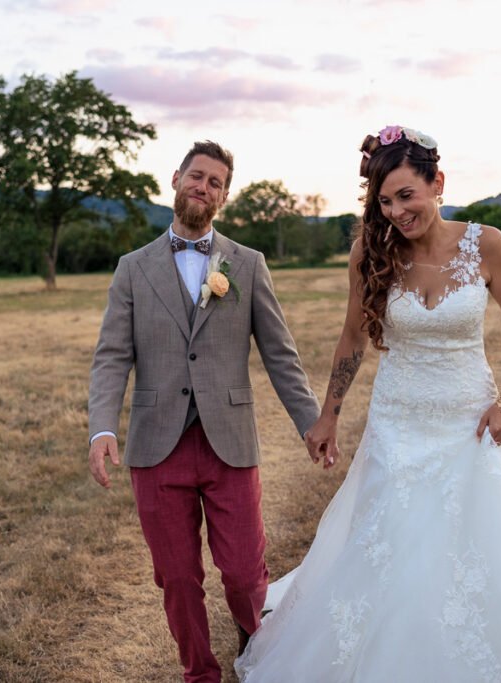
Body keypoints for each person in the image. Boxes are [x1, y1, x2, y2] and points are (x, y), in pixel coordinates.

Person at [235, 126, 501, 682]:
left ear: (437, 183)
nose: (397, 212)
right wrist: (329, 414)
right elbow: (352, 338)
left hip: (467, 424)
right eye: (385, 201)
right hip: (396, 424)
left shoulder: (486, 244)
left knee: (480, 547)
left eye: (407, 195)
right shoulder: (371, 253)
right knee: (393, 548)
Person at [88, 140, 324, 683]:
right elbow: (111, 357)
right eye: (196, 176)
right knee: (176, 578)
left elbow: (280, 354)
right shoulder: (132, 269)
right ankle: (200, 673)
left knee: (243, 574)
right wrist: (102, 428)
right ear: (175, 179)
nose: (204, 187)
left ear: (224, 196)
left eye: (215, 182)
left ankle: (259, 657)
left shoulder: (248, 264)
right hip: (157, 446)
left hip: (229, 442)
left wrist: (311, 423)